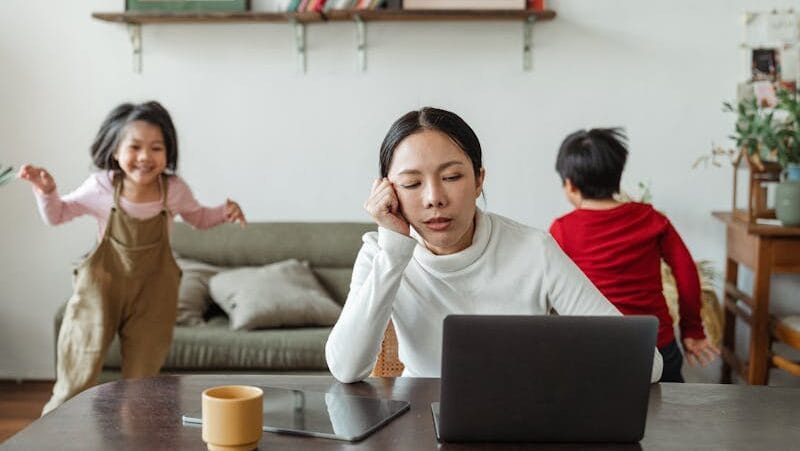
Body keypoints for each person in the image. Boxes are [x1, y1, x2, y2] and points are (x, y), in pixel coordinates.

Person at [325, 107, 663, 384]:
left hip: (521, 418)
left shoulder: (534, 250)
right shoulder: (380, 253)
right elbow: (345, 369)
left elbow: (646, 364)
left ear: (479, 180)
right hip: (419, 422)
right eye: (412, 183)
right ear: (388, 191)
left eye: (452, 177)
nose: (434, 199)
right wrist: (394, 251)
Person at [18, 101, 247, 415]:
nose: (145, 157)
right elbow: (58, 215)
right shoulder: (101, 187)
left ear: (168, 153)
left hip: (153, 296)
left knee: (141, 387)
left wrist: (224, 212)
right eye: (135, 146)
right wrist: (46, 192)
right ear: (114, 151)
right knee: (75, 379)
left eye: (156, 148)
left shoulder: (174, 190)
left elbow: (199, 218)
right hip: (100, 291)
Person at [548, 127, 719, 383]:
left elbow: (551, 289)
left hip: (595, 350)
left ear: (570, 185)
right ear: (618, 176)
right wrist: (692, 329)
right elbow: (686, 272)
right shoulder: (652, 219)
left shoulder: (562, 230)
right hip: (657, 346)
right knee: (669, 418)